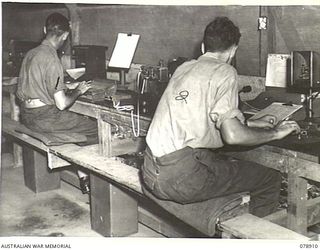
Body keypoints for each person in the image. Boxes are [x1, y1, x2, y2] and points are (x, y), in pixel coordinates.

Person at [141, 16, 300, 217]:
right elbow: (233, 137)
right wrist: (276, 132)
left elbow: (196, 115)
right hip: (179, 180)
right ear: (234, 49)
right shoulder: (226, 71)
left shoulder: (184, 68)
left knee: (221, 163)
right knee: (269, 178)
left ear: (202, 47)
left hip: (150, 171)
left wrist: (250, 122)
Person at [16, 12, 97, 194]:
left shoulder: (31, 53)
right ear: (66, 35)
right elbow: (61, 104)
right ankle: (88, 179)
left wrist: (65, 85)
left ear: (45, 30)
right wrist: (78, 90)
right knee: (97, 130)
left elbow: (39, 84)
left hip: (26, 115)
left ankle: (83, 175)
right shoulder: (53, 59)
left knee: (77, 125)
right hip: (44, 118)